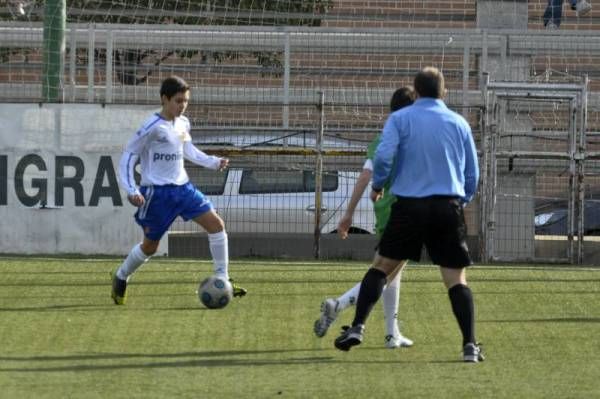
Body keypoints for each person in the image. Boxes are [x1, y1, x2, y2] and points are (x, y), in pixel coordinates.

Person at [333, 67, 483, 363]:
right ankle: (469, 345)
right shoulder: (459, 123)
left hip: (409, 205)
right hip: (446, 205)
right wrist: (459, 200)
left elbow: (385, 156)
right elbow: (472, 173)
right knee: (456, 279)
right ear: (445, 92)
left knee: (381, 268)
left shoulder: (399, 119)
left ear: (415, 92)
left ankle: (358, 326)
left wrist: (378, 186)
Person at [111, 75, 247, 305]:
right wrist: (132, 189)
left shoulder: (182, 123)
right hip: (157, 194)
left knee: (216, 225)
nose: (182, 105)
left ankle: (223, 279)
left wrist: (213, 162)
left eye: (185, 101)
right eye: (178, 100)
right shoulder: (151, 127)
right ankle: (121, 276)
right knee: (150, 247)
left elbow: (188, 150)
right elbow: (128, 156)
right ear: (164, 99)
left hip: (183, 189)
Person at [313, 87, 415, 349]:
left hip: (384, 214)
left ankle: (392, 334)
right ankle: (340, 304)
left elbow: (365, 176)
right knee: (384, 273)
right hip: (406, 213)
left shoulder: (380, 140)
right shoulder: (411, 140)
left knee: (391, 273)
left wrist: (348, 214)